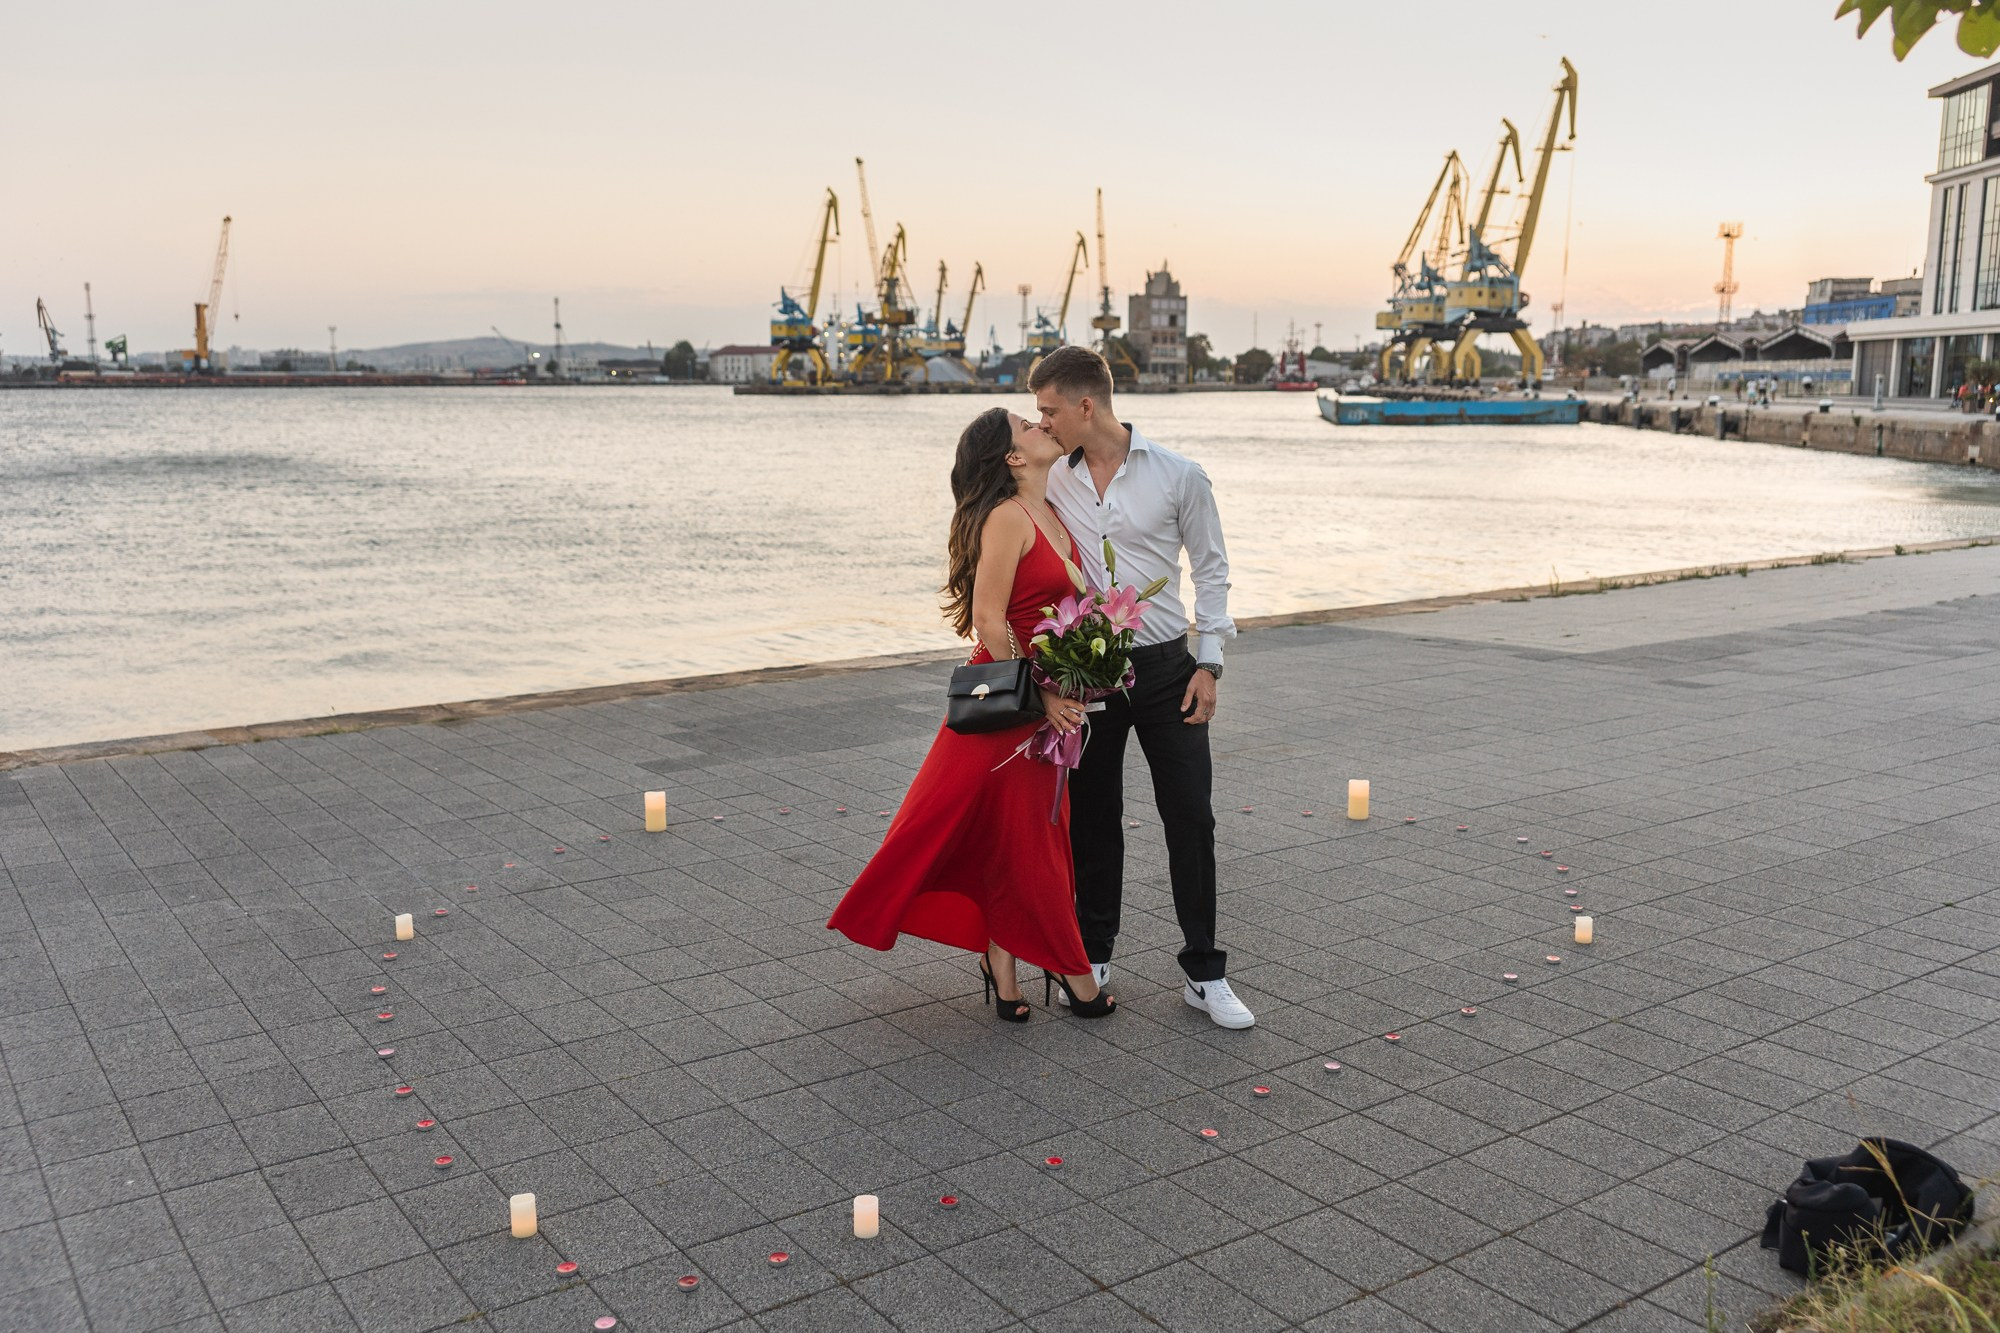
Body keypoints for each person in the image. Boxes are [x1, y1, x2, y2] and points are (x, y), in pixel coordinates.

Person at [826, 408, 1114, 1022]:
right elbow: (990, 618)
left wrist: (1088, 668)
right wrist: (1042, 695)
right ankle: (1071, 971)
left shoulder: (1052, 512)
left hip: (1040, 706)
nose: (1040, 426)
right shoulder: (1008, 518)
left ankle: (1001, 964)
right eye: (1026, 426)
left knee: (1021, 836)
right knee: (1026, 837)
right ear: (1013, 458)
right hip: (1005, 709)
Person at [1031, 346, 1254, 1029]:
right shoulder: (1053, 478)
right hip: (1089, 674)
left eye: (1048, 410)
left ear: (1085, 406)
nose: (1041, 424)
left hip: (1166, 670)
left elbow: (1211, 570)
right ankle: (1093, 955)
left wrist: (1208, 665)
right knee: (1095, 819)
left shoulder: (1179, 475)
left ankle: (1204, 973)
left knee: (1191, 815)